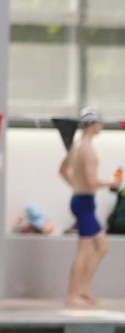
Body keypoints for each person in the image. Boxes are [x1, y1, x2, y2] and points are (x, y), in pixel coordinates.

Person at [59, 107, 118, 309]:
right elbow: (92, 182)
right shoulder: (88, 150)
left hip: (81, 200)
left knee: (102, 247)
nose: (102, 126)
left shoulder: (76, 145)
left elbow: (62, 170)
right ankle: (72, 295)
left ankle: (83, 290)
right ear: (93, 125)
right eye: (100, 123)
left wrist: (75, 187)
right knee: (83, 250)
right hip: (84, 202)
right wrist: (111, 183)